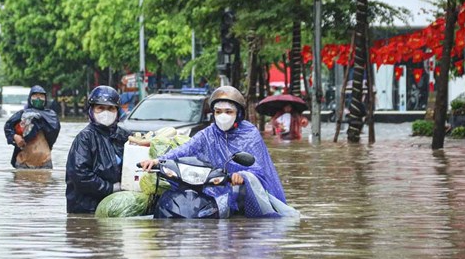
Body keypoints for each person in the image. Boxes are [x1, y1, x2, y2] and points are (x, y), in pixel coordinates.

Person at [140, 85, 297, 218]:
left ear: (238, 114)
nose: (223, 116)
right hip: (215, 188)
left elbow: (259, 168)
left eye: (228, 112)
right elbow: (186, 148)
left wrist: (242, 176)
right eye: (218, 111)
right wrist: (158, 160)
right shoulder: (208, 133)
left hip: (244, 191)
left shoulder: (250, 134)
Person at [65, 85, 131, 214]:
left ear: (117, 111)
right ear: (92, 110)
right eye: (100, 108)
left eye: (110, 108)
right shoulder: (85, 138)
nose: (105, 113)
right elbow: (80, 175)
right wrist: (110, 188)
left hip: (117, 207)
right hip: (87, 208)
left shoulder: (125, 137)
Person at [3, 85, 60, 169]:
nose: (38, 98)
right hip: (23, 161)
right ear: (30, 98)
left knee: (46, 180)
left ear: (45, 99)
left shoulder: (51, 115)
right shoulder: (22, 114)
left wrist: (38, 122)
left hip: (44, 160)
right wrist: (15, 136)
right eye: (35, 96)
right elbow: (8, 127)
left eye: (41, 96)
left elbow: (53, 132)